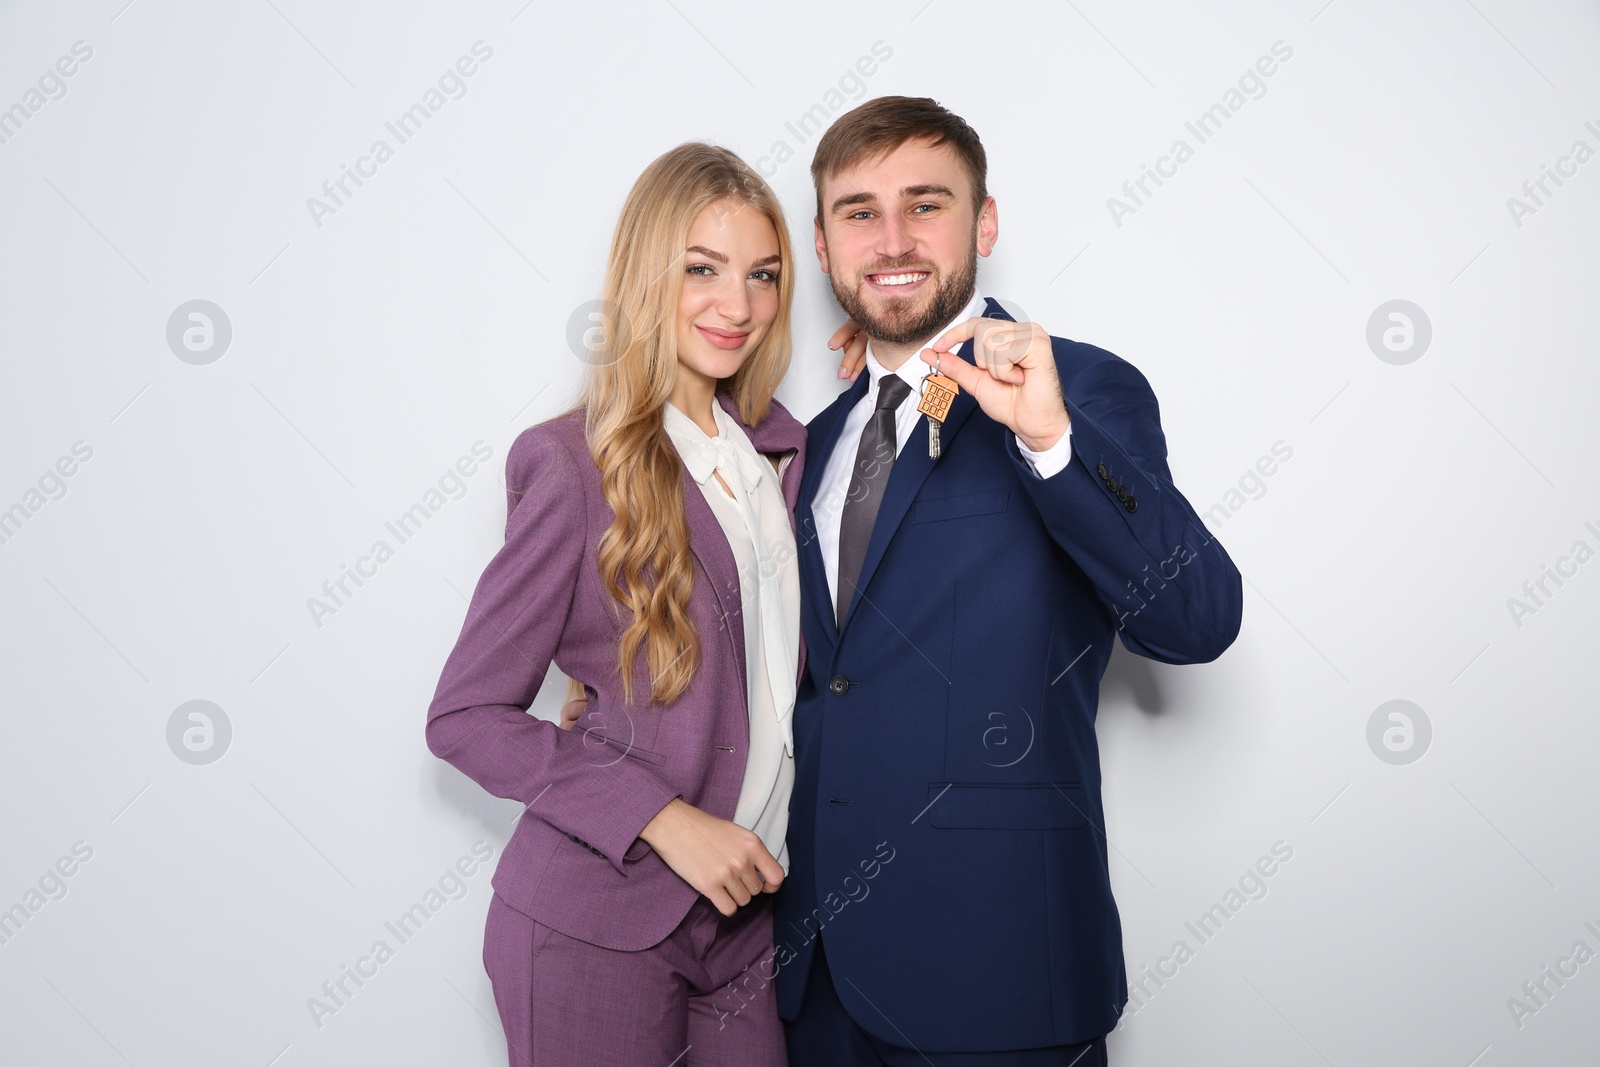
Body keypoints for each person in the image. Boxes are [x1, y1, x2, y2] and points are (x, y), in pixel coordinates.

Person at [776, 96, 1245, 1066]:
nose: (893, 237)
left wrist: (1048, 438)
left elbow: (1195, 619)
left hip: (1000, 974)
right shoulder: (810, 445)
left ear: (984, 222)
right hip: (816, 976)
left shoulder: (1077, 388)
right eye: (858, 211)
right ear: (822, 245)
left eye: (927, 203)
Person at [425, 141, 814, 1066]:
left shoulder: (787, 457)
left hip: (748, 925)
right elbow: (466, 716)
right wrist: (664, 818)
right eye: (702, 269)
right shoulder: (571, 464)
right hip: (593, 917)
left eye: (763, 275)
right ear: (647, 274)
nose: (739, 305)